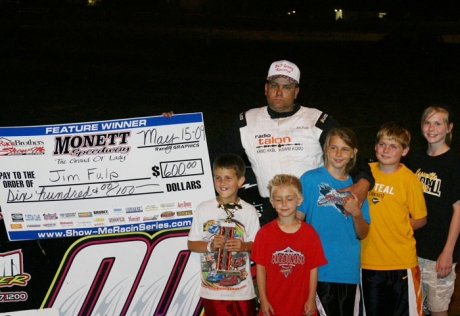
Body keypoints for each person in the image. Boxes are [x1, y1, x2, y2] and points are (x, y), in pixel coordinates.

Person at [164, 60, 375, 226]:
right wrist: (176, 132)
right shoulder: (247, 121)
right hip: (273, 207)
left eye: (286, 87)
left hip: (314, 207)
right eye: (274, 86)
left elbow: (347, 152)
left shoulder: (317, 120)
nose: (279, 92)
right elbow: (214, 154)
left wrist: (364, 183)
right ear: (266, 88)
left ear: (296, 91)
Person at [297, 127, 370, 315]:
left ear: (354, 153)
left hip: (348, 270)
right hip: (317, 270)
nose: (338, 154)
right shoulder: (310, 179)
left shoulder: (358, 186)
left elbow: (363, 233)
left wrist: (356, 213)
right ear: (325, 149)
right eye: (334, 148)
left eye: (345, 149)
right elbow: (297, 223)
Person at [361, 121, 427, 316]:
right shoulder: (365, 173)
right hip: (369, 261)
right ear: (375, 147)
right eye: (382, 144)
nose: (386, 150)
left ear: (404, 151)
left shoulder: (409, 180)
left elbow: (421, 219)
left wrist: (397, 228)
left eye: (394, 146)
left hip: (401, 262)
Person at [187, 153, 260, 316]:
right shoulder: (203, 209)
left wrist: (244, 246)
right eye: (218, 178)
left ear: (241, 181)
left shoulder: (249, 211)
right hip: (213, 291)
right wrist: (210, 245)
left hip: (242, 290)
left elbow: (258, 245)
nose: (222, 183)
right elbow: (192, 244)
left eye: (228, 178)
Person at [409, 106, 460, 316]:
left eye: (438, 123)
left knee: (438, 310)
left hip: (438, 252)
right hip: (411, 249)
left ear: (449, 128)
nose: (431, 128)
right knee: (416, 308)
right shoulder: (414, 160)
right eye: (427, 122)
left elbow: (459, 210)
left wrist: (448, 252)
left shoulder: (454, 163)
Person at [251, 174, 327, 316]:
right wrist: (263, 299)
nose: (284, 203)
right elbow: (260, 270)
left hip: (301, 305)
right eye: (279, 199)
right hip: (273, 305)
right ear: (272, 202)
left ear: (299, 200)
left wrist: (311, 299)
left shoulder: (309, 233)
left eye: (289, 199)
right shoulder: (264, 233)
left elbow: (313, 269)